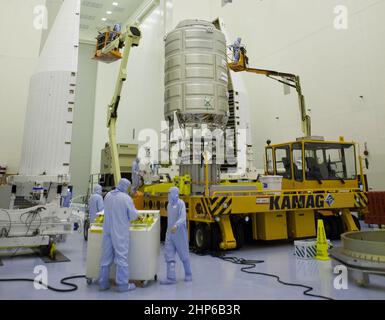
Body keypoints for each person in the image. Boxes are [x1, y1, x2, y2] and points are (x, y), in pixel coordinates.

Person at [98, 178, 140, 292]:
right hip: (120, 232)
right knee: (121, 257)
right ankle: (122, 285)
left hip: (107, 231)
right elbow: (133, 215)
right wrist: (138, 215)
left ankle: (103, 283)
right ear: (126, 187)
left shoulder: (108, 196)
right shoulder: (126, 198)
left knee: (105, 257)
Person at [160, 187, 192, 285]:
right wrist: (169, 231)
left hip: (179, 232)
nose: (168, 195)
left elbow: (183, 217)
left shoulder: (181, 203)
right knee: (169, 255)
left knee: (184, 254)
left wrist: (176, 225)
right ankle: (171, 277)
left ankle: (188, 274)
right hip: (170, 233)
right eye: (168, 193)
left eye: (170, 193)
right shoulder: (169, 204)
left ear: (175, 193)